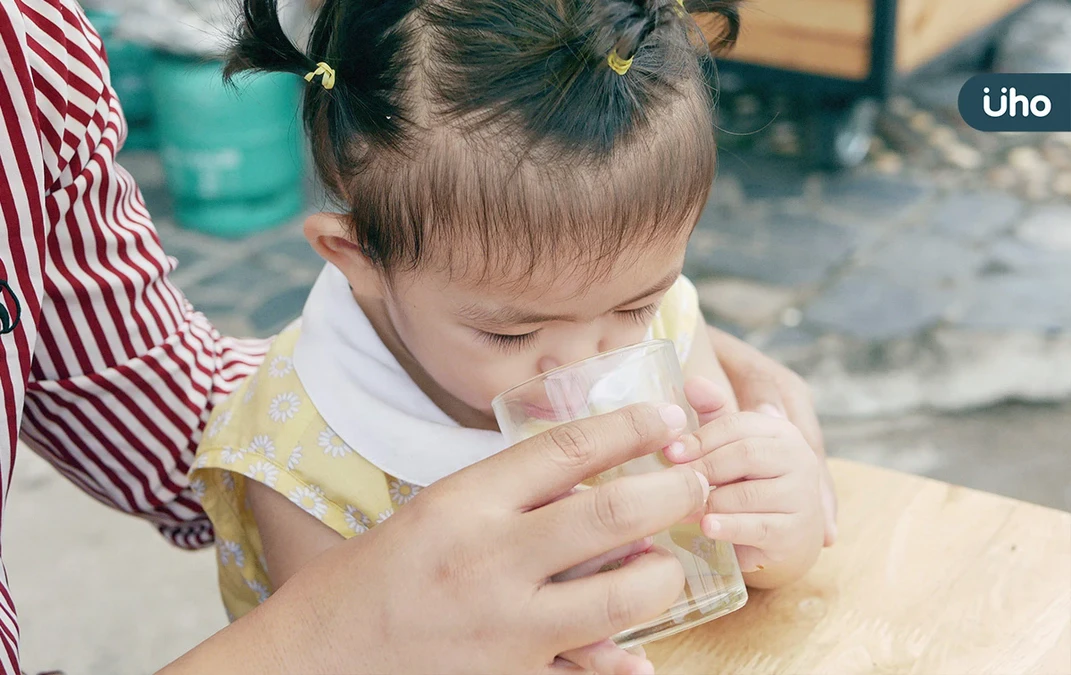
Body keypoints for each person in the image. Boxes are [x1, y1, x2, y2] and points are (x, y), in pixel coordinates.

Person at [0, 0, 834, 672]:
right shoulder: (300, 459)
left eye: (634, 307)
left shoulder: (637, 312)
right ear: (353, 257)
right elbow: (350, 642)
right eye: (511, 333)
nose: (590, 360)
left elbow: (728, 565)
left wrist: (777, 522)